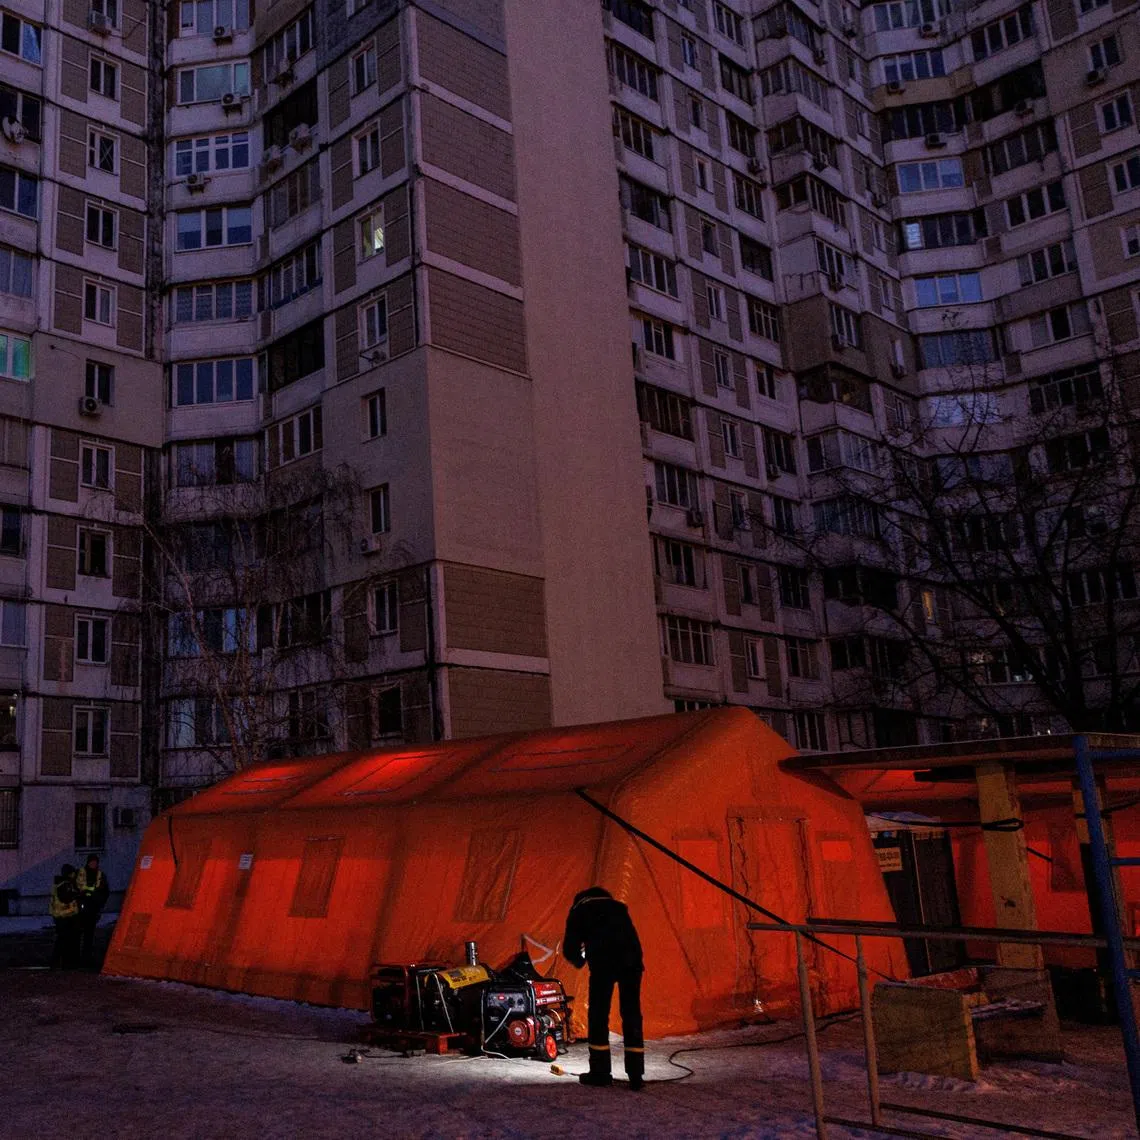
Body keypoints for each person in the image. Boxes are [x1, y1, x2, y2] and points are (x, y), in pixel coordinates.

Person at [563, 885, 645, 1090]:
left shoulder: (579, 910)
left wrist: (580, 959)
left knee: (599, 1015)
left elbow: (570, 948)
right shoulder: (618, 908)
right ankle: (636, 1074)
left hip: (604, 963)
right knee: (632, 1014)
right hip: (632, 962)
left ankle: (600, 1072)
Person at [75, 854, 110, 968]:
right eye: (92, 862)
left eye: (95, 862)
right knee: (80, 934)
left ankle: (86, 959)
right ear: (88, 862)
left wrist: (100, 903)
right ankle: (79, 959)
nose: (94, 864)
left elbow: (105, 891)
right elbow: (79, 888)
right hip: (82, 907)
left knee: (89, 935)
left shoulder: (100, 875)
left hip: (94, 908)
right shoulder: (81, 873)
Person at [49, 864, 80, 969]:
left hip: (61, 916)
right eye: (73, 873)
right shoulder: (65, 884)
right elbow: (66, 898)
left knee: (62, 941)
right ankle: (61, 963)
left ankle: (59, 963)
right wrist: (77, 894)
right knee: (64, 941)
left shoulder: (59, 884)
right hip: (65, 917)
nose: (74, 875)